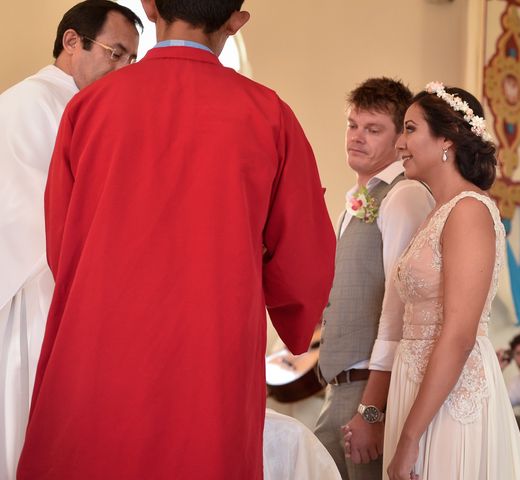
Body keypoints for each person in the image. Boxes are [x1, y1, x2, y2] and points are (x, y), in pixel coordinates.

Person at [16, 1, 336, 478]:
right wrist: (292, 319)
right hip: (210, 349)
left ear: (148, 6)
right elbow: (305, 259)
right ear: (236, 20)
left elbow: (63, 245)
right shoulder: (269, 115)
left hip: (103, 339)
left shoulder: (88, 106)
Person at [0, 2, 141, 478]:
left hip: (75, 286)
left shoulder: (82, 106)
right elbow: (40, 211)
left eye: (131, 61)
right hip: (39, 289)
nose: (122, 70)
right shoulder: (33, 102)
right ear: (72, 42)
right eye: (115, 53)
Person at [381, 82, 520, 479]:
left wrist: (411, 437)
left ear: (446, 138)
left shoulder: (468, 211)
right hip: (415, 384)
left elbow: (460, 333)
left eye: (410, 129)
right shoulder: (437, 211)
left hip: (451, 395)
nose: (400, 143)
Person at [314, 77, 435, 480]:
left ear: (401, 137)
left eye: (373, 129)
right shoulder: (352, 203)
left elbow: (401, 306)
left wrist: (372, 409)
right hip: (339, 383)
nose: (357, 137)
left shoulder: (404, 195)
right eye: (352, 125)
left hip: (370, 387)